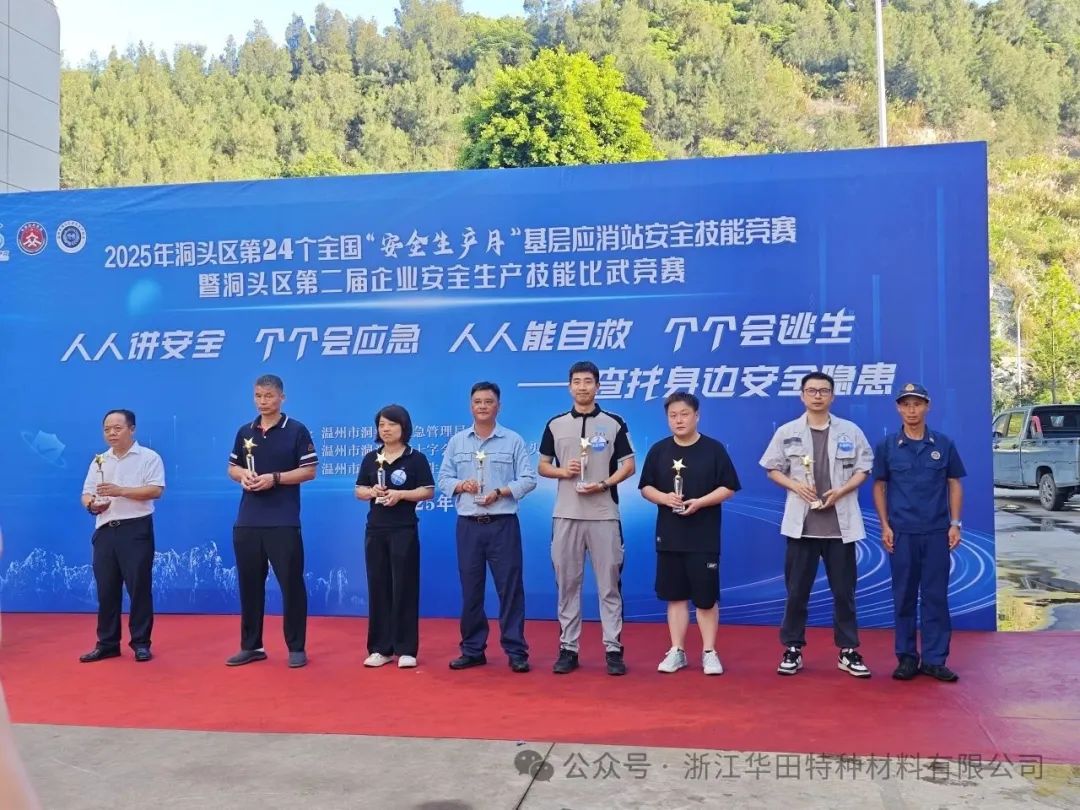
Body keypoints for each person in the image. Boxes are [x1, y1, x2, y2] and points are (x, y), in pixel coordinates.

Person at [759, 372, 874, 678]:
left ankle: (848, 650)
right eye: (811, 390)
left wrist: (842, 490)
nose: (818, 395)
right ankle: (792, 648)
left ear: (832, 396)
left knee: (844, 593)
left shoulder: (850, 430)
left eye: (824, 391)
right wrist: (795, 486)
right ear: (802, 396)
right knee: (796, 591)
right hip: (802, 527)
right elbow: (772, 468)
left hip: (840, 528)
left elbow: (864, 468)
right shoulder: (788, 431)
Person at [538, 360, 636, 676]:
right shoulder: (555, 424)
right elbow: (542, 466)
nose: (582, 387)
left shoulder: (614, 423)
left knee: (609, 586)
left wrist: (604, 483)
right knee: (567, 585)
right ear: (569, 387)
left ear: (598, 386)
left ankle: (613, 649)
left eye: (588, 381)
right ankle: (568, 648)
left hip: (604, 515)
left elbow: (629, 465)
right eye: (577, 382)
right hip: (566, 515)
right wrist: (561, 472)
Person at [438, 382, 538, 673]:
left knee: (510, 589)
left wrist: (501, 492)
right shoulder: (458, 442)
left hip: (502, 524)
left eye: (488, 401)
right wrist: (461, 485)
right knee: (471, 590)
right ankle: (472, 649)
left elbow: (528, 479)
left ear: (499, 406)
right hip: (469, 526)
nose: (482, 406)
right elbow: (443, 479)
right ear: (471, 406)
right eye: (477, 402)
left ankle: (516, 651)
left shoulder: (513, 440)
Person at [638, 393, 741, 675]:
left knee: (706, 598)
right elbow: (645, 487)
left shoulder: (713, 449)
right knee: (675, 596)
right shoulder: (659, 450)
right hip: (669, 535)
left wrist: (700, 502)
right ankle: (677, 650)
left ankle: (709, 652)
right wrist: (664, 498)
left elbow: (729, 487)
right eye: (673, 415)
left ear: (697, 416)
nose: (679, 420)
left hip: (703, 536)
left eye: (684, 414)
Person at [872, 382, 966, 682]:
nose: (911, 410)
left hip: (937, 532)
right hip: (902, 533)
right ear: (898, 408)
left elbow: (954, 483)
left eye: (917, 404)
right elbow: (879, 486)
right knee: (904, 596)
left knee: (935, 596)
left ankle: (935, 660)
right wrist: (885, 525)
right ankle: (907, 658)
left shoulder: (943, 444)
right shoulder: (887, 446)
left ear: (927, 406)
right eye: (906, 404)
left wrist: (955, 523)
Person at [225, 375, 318, 668]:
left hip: (283, 520)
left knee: (291, 585)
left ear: (281, 398)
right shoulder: (245, 431)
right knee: (249, 586)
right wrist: (243, 475)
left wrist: (274, 478)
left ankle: (296, 647)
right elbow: (232, 466)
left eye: (268, 396)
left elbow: (309, 471)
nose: (262, 401)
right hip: (248, 521)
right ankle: (251, 645)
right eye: (258, 396)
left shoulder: (296, 430)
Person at [79, 409, 165, 663]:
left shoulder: (148, 457)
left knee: (139, 588)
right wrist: (92, 504)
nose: (112, 433)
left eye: (117, 428)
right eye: (107, 429)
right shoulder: (99, 460)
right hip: (105, 530)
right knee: (106, 589)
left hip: (135, 529)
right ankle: (107, 643)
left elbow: (155, 490)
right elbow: (86, 493)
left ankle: (141, 643)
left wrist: (120, 491)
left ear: (132, 429)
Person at [355, 404, 435, 668]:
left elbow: (427, 491)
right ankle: (381, 648)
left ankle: (406, 649)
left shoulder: (415, 458)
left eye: (391, 424)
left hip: (404, 530)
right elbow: (359, 490)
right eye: (381, 425)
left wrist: (400, 495)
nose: (386, 429)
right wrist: (372, 492)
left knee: (405, 587)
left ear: (404, 427)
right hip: (375, 530)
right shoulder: (371, 458)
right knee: (378, 586)